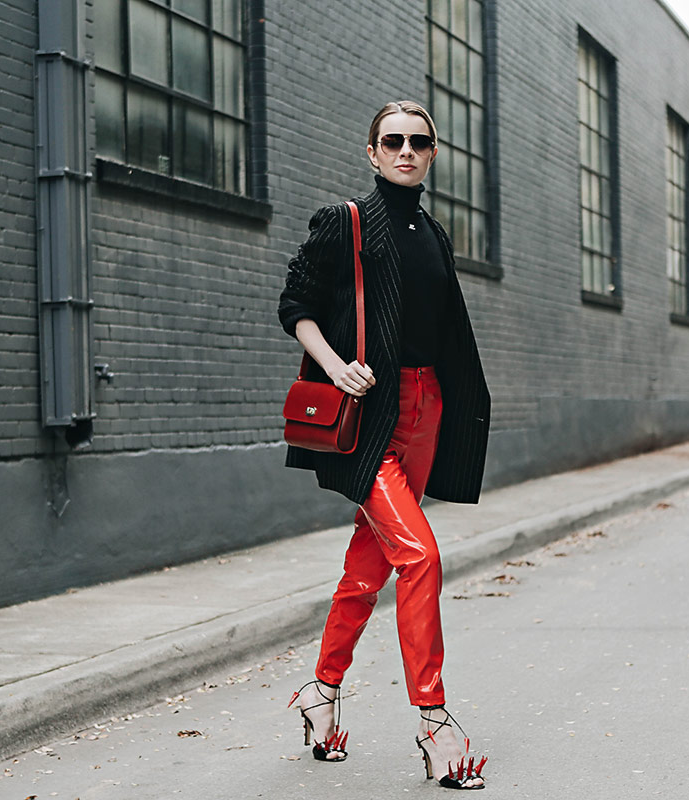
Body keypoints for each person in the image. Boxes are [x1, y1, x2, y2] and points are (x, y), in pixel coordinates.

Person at [278, 100, 491, 790]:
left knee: (369, 566)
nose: (405, 151)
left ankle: (321, 691)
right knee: (420, 555)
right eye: (392, 141)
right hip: (371, 419)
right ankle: (434, 723)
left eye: (418, 142)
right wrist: (336, 365)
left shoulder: (434, 234)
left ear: (432, 154)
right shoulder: (345, 222)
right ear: (372, 152)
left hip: (426, 412)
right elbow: (296, 305)